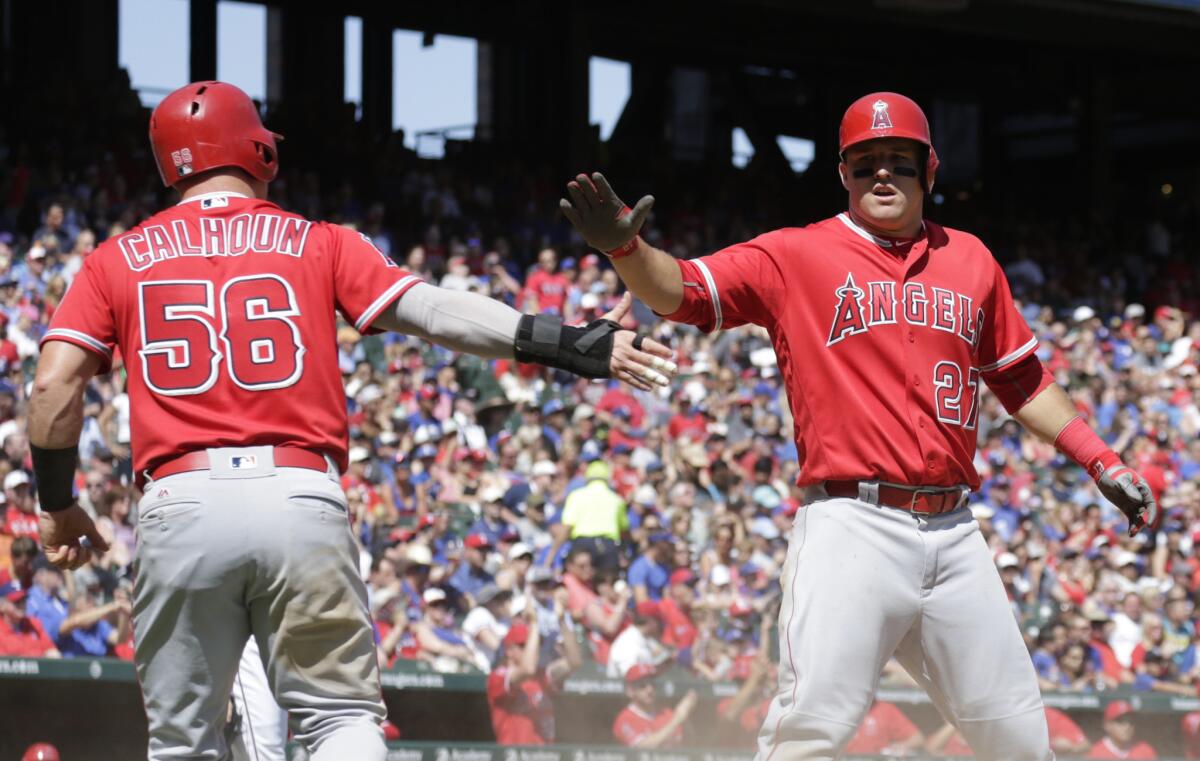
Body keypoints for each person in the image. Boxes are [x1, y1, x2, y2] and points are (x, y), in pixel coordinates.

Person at [31, 80, 676, 761]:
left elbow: (52, 385)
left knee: (183, 741)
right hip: (298, 491)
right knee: (339, 717)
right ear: (258, 149)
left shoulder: (113, 258)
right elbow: (434, 310)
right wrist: (567, 342)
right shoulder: (318, 240)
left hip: (178, 500)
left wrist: (57, 501)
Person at [559, 90, 1159, 760]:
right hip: (853, 524)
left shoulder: (973, 259)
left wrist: (1101, 458)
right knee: (809, 729)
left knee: (1020, 740)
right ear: (842, 173)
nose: (882, 173)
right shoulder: (794, 253)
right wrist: (626, 249)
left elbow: (1019, 378)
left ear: (928, 172)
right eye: (865, 160)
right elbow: (681, 290)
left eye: (899, 161)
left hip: (957, 532)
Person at [486, 601, 582, 745]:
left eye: (535, 645)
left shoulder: (541, 676)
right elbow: (527, 669)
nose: (532, 649)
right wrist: (534, 624)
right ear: (509, 650)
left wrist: (563, 621)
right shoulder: (498, 677)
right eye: (524, 645)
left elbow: (574, 662)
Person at [612, 664, 698, 748]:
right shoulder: (625, 719)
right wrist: (676, 720)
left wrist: (685, 716)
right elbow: (642, 749)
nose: (650, 689)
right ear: (630, 691)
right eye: (642, 685)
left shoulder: (667, 713)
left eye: (652, 683)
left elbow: (688, 744)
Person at [1087, 701, 1157, 759]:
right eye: (1120, 721)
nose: (1127, 726)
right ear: (1107, 725)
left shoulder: (1145, 751)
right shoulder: (1095, 753)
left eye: (1130, 721)